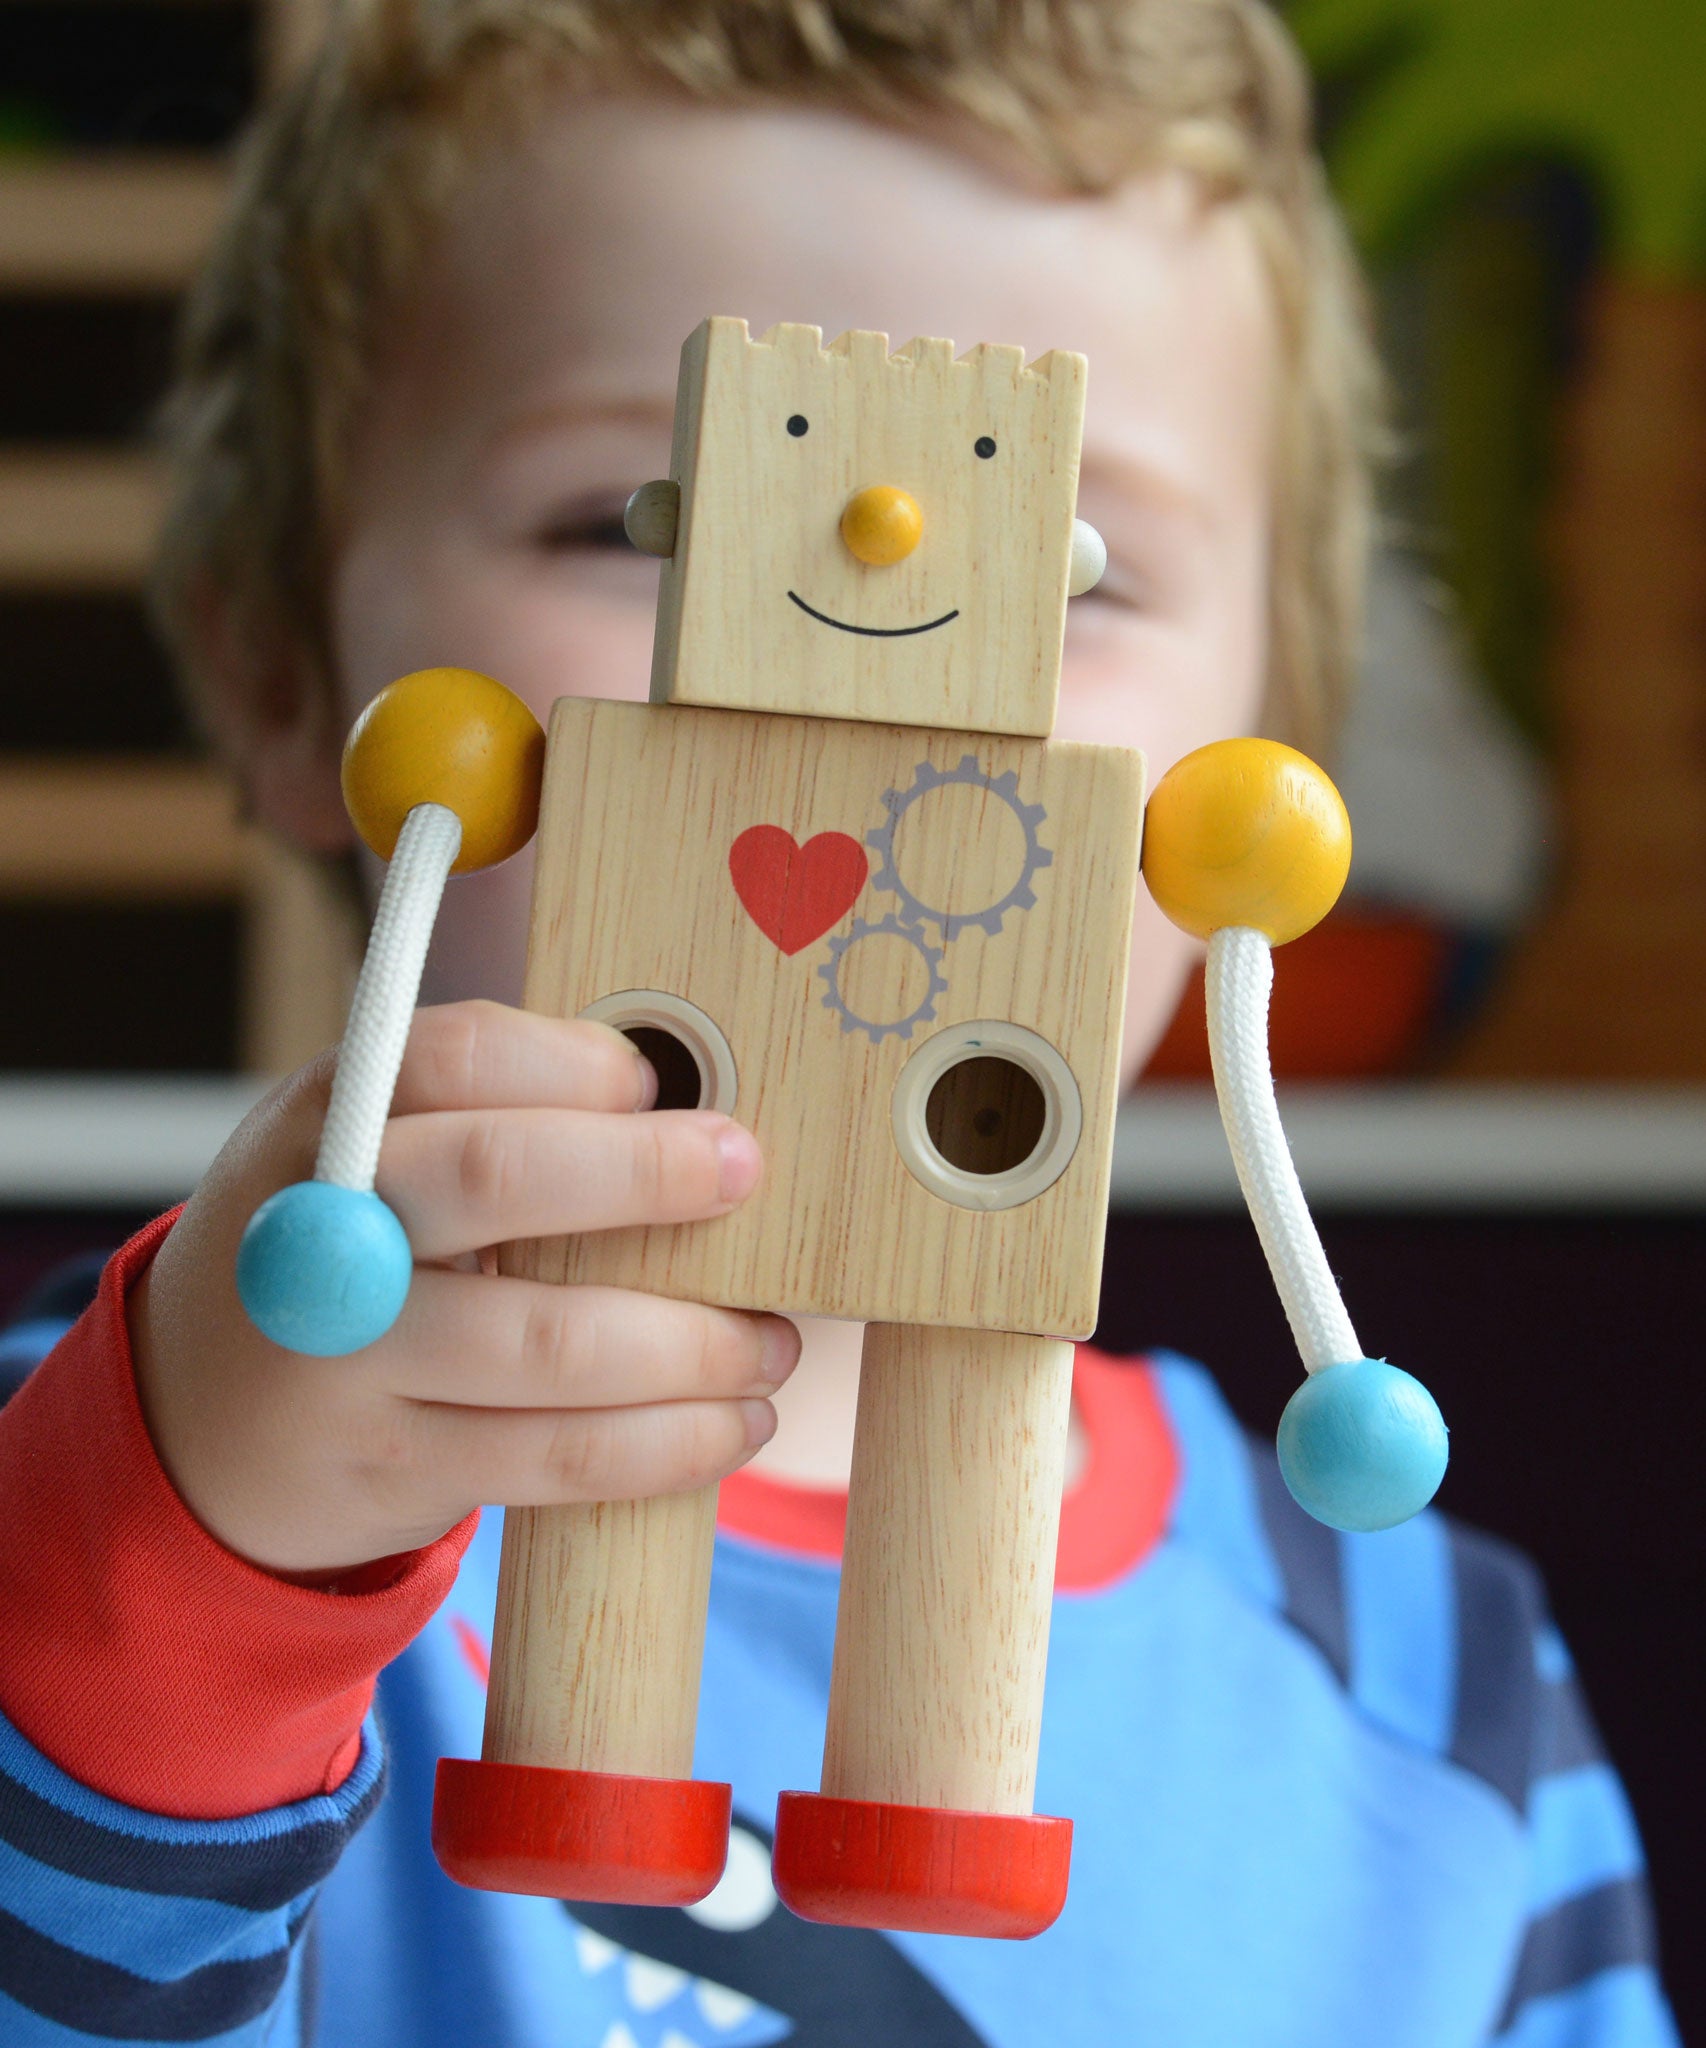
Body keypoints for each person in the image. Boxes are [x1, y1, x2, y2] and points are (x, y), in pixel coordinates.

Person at [0, 3, 1678, 2043]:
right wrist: (151, 1611)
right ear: (281, 678)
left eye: (1066, 572)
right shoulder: (79, 1505)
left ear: (1266, 768)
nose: (869, 703)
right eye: (646, 525)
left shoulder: (1440, 1707)